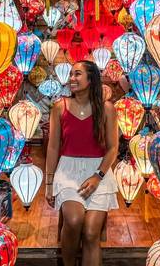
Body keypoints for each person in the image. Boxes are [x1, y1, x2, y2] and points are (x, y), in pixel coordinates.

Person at [45, 60, 119, 266]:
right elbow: (52, 148)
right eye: (70, 75)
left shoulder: (107, 109)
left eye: (77, 74)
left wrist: (98, 176)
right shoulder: (60, 107)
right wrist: (49, 184)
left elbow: (113, 148)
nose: (71, 79)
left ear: (91, 78)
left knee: (91, 233)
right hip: (67, 171)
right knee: (75, 220)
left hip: (99, 172)